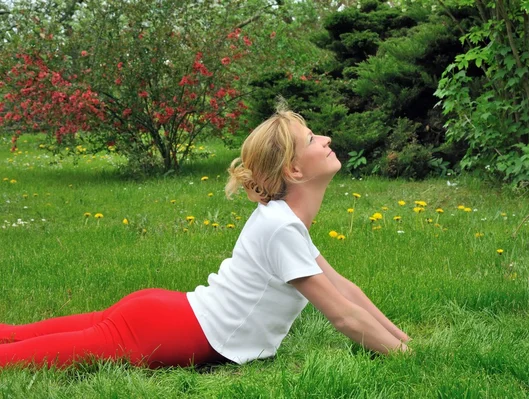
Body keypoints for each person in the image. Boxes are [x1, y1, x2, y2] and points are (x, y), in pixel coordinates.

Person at [0, 104, 410, 369]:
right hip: (162, 329)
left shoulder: (284, 222)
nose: (326, 139)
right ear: (295, 171)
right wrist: (407, 359)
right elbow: (339, 313)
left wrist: (403, 341)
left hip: (163, 315)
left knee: (24, 333)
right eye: (312, 140)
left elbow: (345, 290)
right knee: (19, 354)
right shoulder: (280, 226)